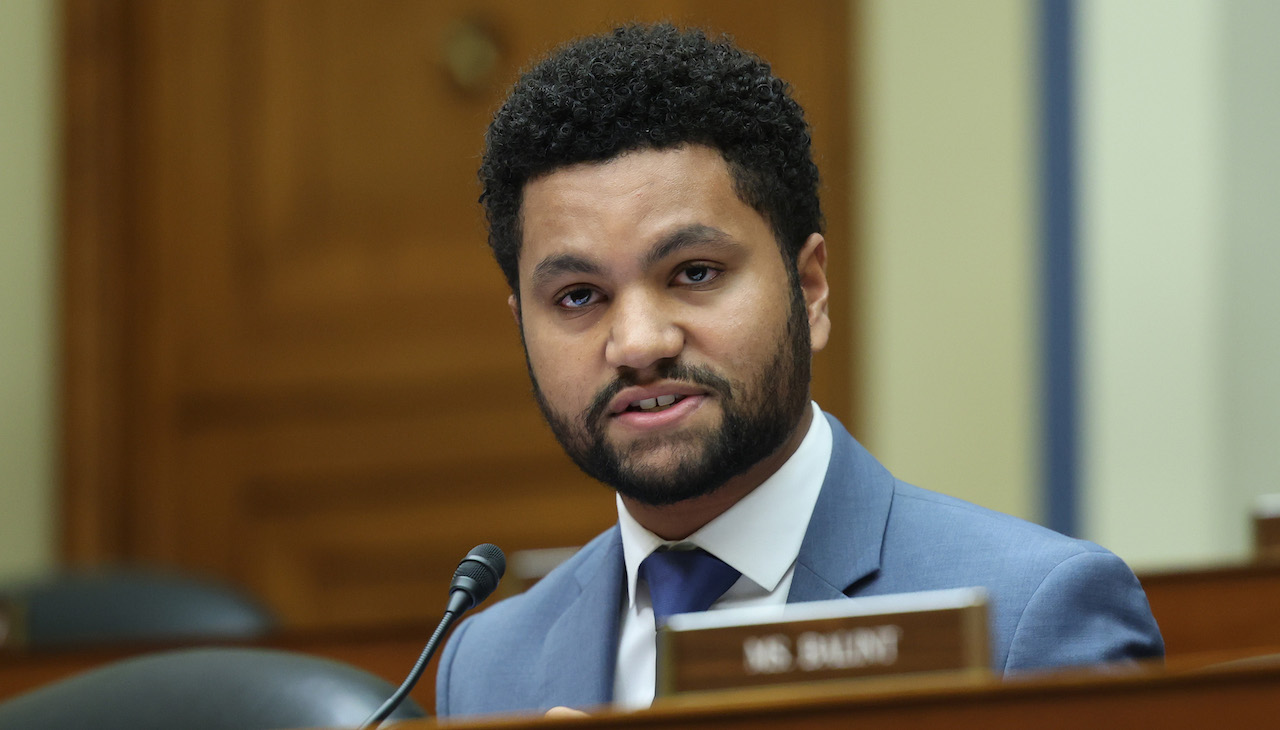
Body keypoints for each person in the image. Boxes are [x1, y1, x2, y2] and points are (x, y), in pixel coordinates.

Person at [435, 23, 1163, 718]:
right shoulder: (488, 663)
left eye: (694, 272)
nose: (638, 342)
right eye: (579, 297)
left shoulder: (1030, 618)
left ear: (809, 287)